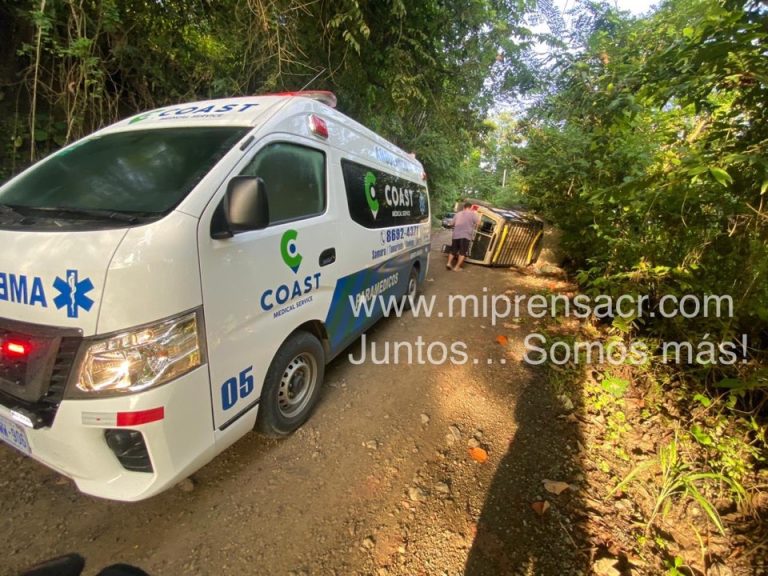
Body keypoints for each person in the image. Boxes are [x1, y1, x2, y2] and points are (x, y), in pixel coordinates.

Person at [446, 202, 479, 271]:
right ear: (471, 207)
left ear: (464, 207)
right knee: (462, 252)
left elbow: (452, 224)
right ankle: (456, 267)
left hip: (456, 235)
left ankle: (448, 263)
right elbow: (478, 223)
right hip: (465, 236)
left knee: (453, 250)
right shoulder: (473, 214)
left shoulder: (458, 214)